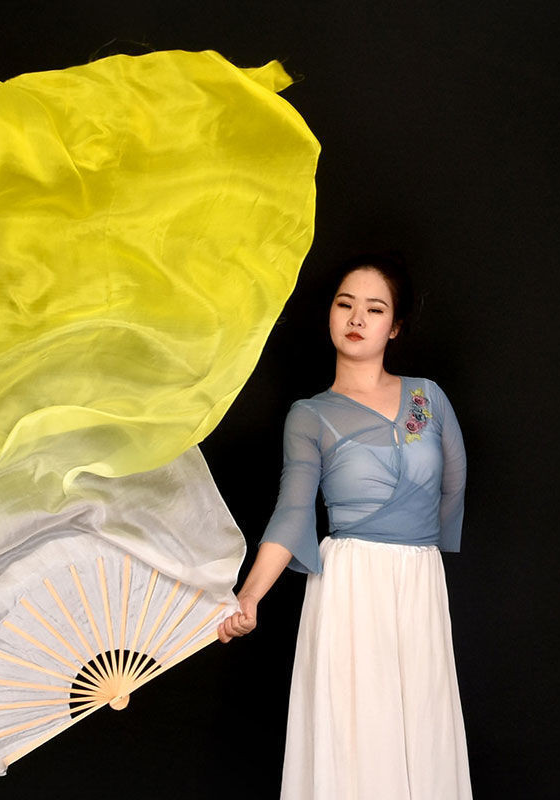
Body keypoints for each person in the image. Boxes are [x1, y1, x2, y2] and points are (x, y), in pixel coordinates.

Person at [217, 254, 473, 799]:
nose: (357, 318)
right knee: (357, 736)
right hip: (351, 588)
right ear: (330, 314)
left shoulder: (424, 399)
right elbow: (293, 511)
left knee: (422, 729)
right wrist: (250, 595)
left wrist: (415, 549)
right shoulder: (310, 415)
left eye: (375, 309)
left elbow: (453, 485)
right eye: (345, 304)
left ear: (394, 326)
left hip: (419, 583)